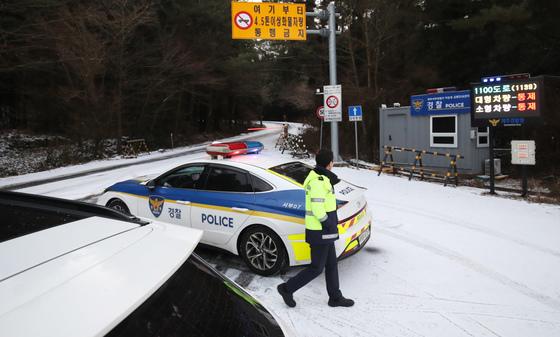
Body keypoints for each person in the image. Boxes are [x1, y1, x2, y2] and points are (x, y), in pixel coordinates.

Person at [277, 149, 354, 308]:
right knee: (316, 268)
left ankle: (335, 297)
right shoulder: (318, 181)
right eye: (332, 161)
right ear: (329, 163)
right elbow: (318, 209)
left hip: (325, 231)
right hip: (320, 231)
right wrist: (329, 223)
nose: (333, 164)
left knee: (332, 264)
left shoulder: (323, 178)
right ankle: (286, 289)